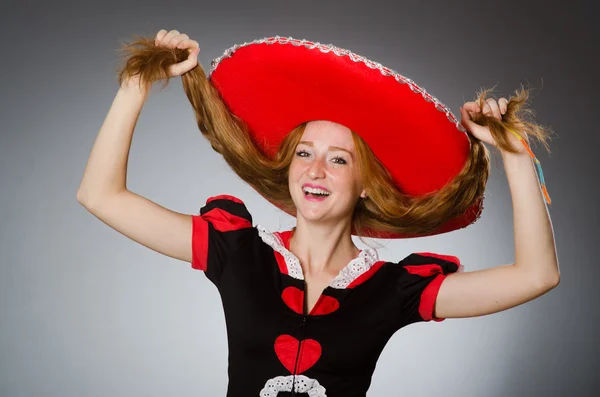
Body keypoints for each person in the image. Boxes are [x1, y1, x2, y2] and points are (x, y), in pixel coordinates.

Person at [77, 29, 560, 396]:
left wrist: (514, 154)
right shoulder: (237, 250)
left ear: (367, 185)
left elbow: (536, 275)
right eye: (304, 153)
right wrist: (136, 86)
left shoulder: (393, 289)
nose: (315, 171)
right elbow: (101, 195)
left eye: (339, 159)